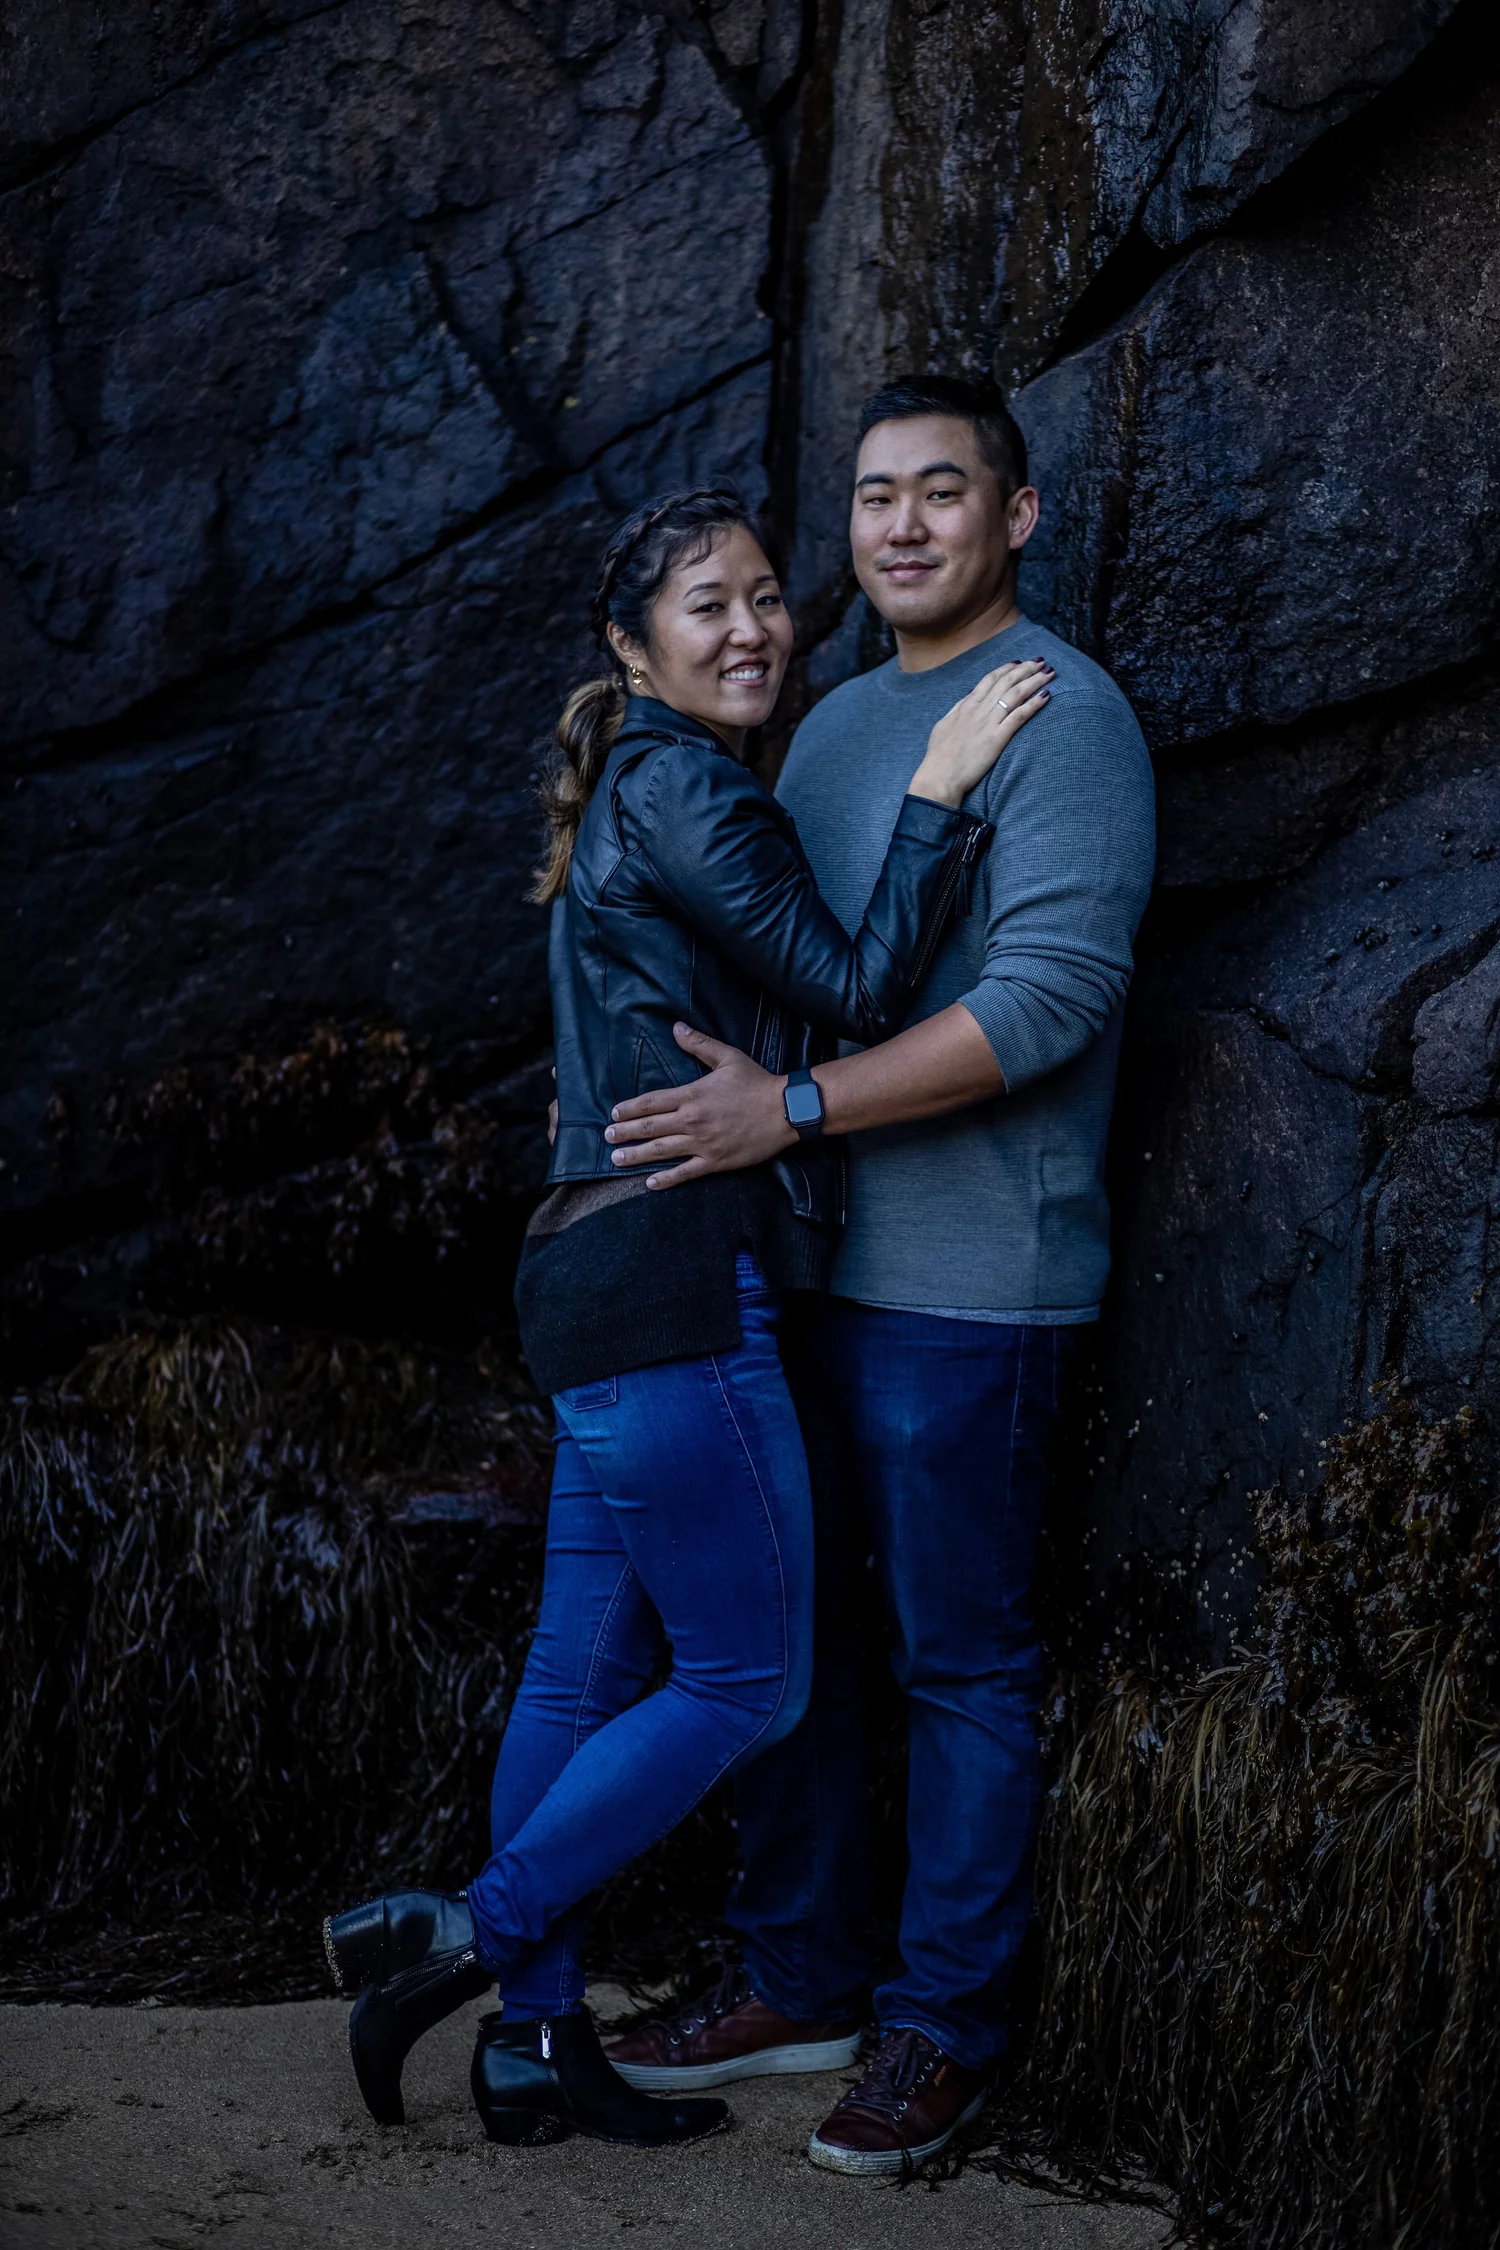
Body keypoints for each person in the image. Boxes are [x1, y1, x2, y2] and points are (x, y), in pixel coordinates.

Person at [319, 482, 1052, 2151]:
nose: (752, 627)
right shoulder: (689, 790)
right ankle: (462, 1940)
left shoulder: (639, 792)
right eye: (706, 605)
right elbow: (859, 988)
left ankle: (533, 2045)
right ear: (632, 646)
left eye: (763, 598)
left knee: (581, 1672)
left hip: (585, 1272)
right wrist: (939, 788)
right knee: (750, 1675)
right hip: (666, 1273)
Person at [600, 376, 1156, 2174]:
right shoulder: (827, 725)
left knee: (959, 1668)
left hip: (972, 1289)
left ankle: (938, 2025)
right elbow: (798, 966)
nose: (902, 524)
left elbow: (1048, 1002)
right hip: (796, 1274)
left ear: (1019, 517)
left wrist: (800, 1110)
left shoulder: (1062, 717)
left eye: (943, 491)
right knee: (791, 1652)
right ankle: (794, 1975)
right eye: (872, 496)